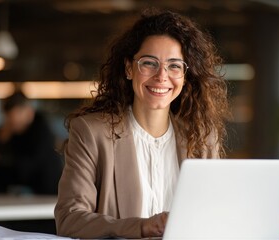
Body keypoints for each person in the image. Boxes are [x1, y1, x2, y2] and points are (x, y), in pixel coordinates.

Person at [54, 8, 229, 239]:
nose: (161, 76)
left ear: (185, 76)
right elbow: (70, 219)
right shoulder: (91, 133)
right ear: (129, 68)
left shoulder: (203, 137)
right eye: (149, 63)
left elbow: (215, 216)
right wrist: (142, 227)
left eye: (174, 66)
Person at [0, 91, 63, 195]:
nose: (12, 123)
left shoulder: (41, 131)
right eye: (9, 119)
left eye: (15, 118)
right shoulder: (10, 130)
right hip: (19, 193)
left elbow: (27, 168)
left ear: (29, 112)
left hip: (46, 195)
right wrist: (0, 141)